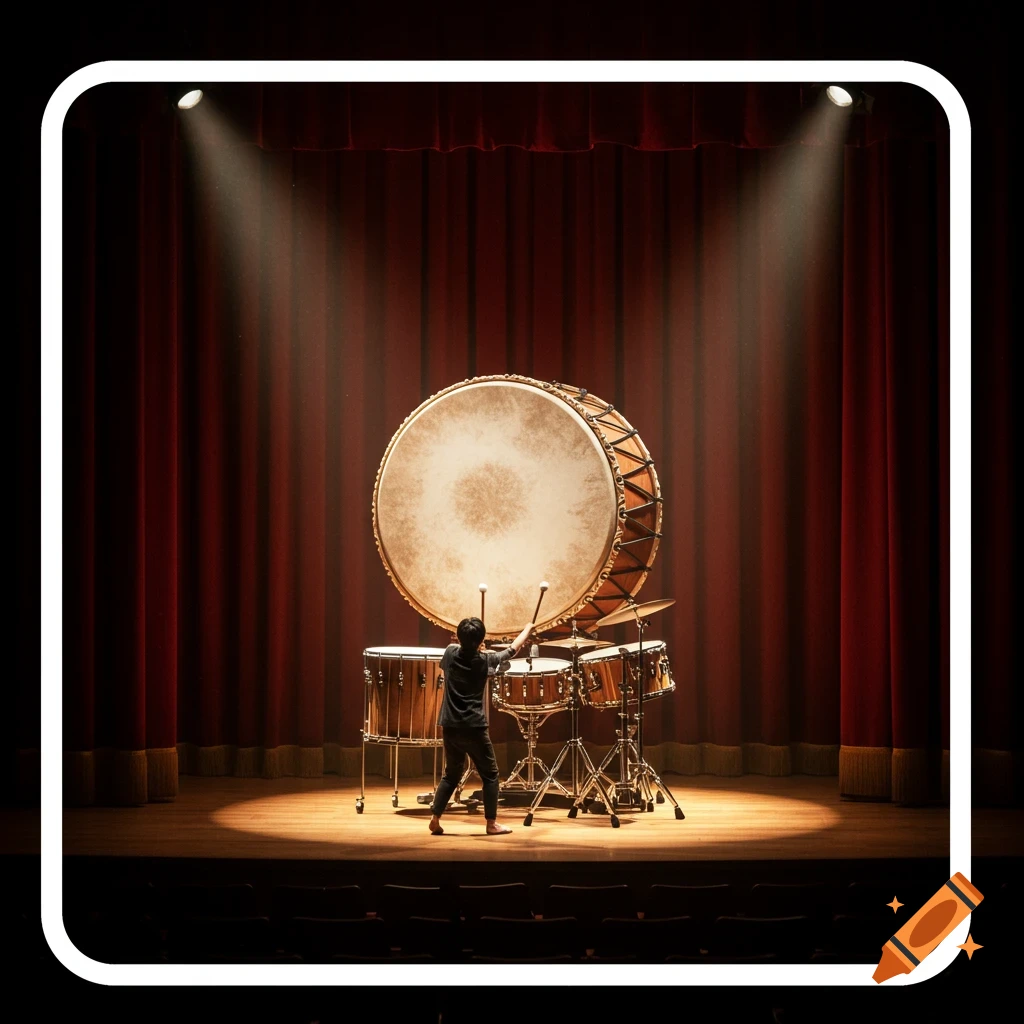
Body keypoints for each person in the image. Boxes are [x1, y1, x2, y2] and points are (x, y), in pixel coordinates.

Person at [428, 616, 534, 836]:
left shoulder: (449, 653)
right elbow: (513, 649)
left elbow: (457, 650)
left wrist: (471, 644)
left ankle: (435, 818)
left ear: (458, 637)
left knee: (451, 774)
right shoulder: (486, 661)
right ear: (481, 640)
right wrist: (527, 629)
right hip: (474, 727)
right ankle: (491, 823)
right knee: (490, 775)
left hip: (450, 725)